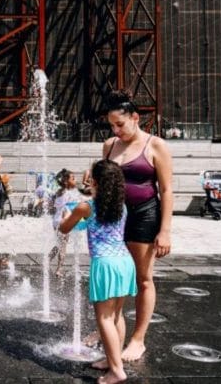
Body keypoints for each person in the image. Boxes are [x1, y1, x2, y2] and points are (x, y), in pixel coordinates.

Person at [102, 90, 173, 361]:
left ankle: (138, 339)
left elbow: (166, 190)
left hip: (144, 215)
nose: (115, 130)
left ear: (135, 117)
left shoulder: (155, 145)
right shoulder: (109, 145)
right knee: (116, 277)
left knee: (143, 278)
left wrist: (165, 230)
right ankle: (110, 331)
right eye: (111, 125)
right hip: (114, 219)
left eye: (120, 124)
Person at [60, 159, 137, 384]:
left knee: (104, 318)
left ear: (94, 181)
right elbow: (96, 227)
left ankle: (116, 370)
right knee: (116, 316)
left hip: (105, 265)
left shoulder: (86, 206)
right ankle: (111, 359)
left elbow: (64, 228)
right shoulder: (121, 206)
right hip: (124, 262)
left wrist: (66, 216)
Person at [50, 168, 83, 277]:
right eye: (73, 178)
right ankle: (59, 269)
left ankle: (48, 260)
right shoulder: (68, 193)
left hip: (56, 221)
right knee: (63, 246)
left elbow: (54, 206)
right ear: (65, 181)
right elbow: (67, 208)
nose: (75, 180)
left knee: (59, 244)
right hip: (64, 221)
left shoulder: (59, 192)